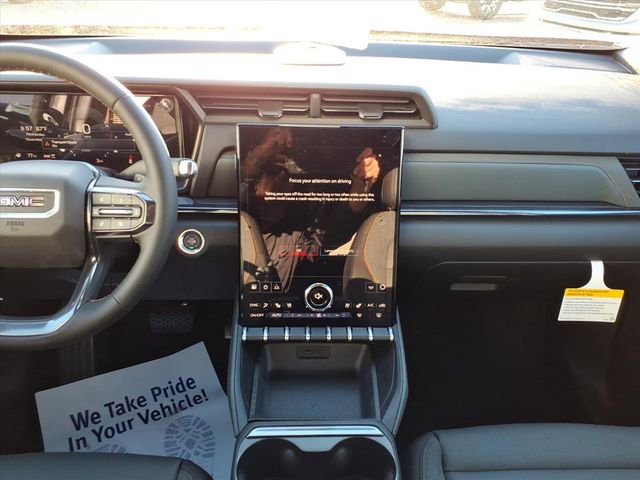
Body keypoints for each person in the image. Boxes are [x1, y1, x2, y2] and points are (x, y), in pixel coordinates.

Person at [241, 127, 382, 292]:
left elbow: (338, 228)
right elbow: (236, 187)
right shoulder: (239, 221)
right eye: (274, 171)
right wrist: (258, 156)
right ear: (255, 186)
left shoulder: (295, 238)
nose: (280, 177)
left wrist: (361, 184)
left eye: (288, 175)